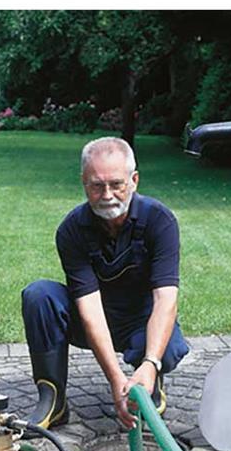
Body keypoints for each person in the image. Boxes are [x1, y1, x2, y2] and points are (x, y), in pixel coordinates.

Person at [21, 136, 189, 430]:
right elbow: (90, 309)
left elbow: (166, 300)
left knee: (169, 347)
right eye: (97, 186)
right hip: (94, 317)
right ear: (84, 183)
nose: (107, 195)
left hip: (140, 321)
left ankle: (149, 378)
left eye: (116, 184)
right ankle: (53, 399)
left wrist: (151, 362)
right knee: (39, 295)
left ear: (134, 181)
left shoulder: (160, 221)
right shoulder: (71, 229)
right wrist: (114, 379)